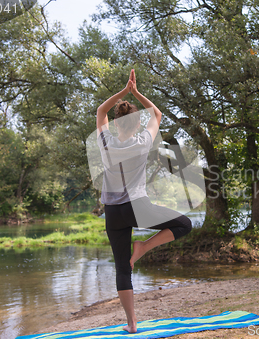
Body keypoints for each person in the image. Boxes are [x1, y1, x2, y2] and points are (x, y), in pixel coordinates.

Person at [96, 69, 192, 333]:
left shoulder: (106, 143)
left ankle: (131, 323)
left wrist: (123, 93)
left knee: (121, 267)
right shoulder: (143, 140)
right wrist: (136, 92)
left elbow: (100, 112)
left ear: (116, 125)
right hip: (137, 208)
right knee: (184, 224)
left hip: (113, 212)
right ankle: (143, 248)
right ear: (137, 124)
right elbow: (157, 115)